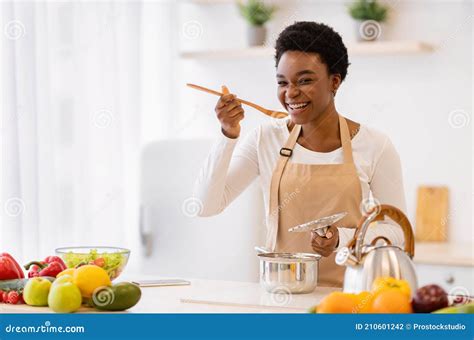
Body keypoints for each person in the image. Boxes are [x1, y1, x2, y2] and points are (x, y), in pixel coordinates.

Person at [194, 22, 406, 287]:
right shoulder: (265, 138)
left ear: (335, 81)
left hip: (350, 298)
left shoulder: (375, 145)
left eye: (305, 80)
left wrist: (341, 237)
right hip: (280, 295)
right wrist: (228, 134)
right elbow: (205, 206)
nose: (291, 93)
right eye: (283, 82)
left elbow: (398, 232)